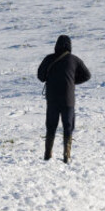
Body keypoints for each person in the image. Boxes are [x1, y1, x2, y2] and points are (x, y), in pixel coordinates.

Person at [36, 34, 91, 163]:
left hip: (52, 99)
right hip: (68, 99)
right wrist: (72, 81)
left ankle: (48, 154)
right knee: (68, 126)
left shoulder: (49, 59)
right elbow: (87, 75)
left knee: (51, 126)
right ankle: (67, 155)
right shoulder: (74, 60)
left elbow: (40, 76)